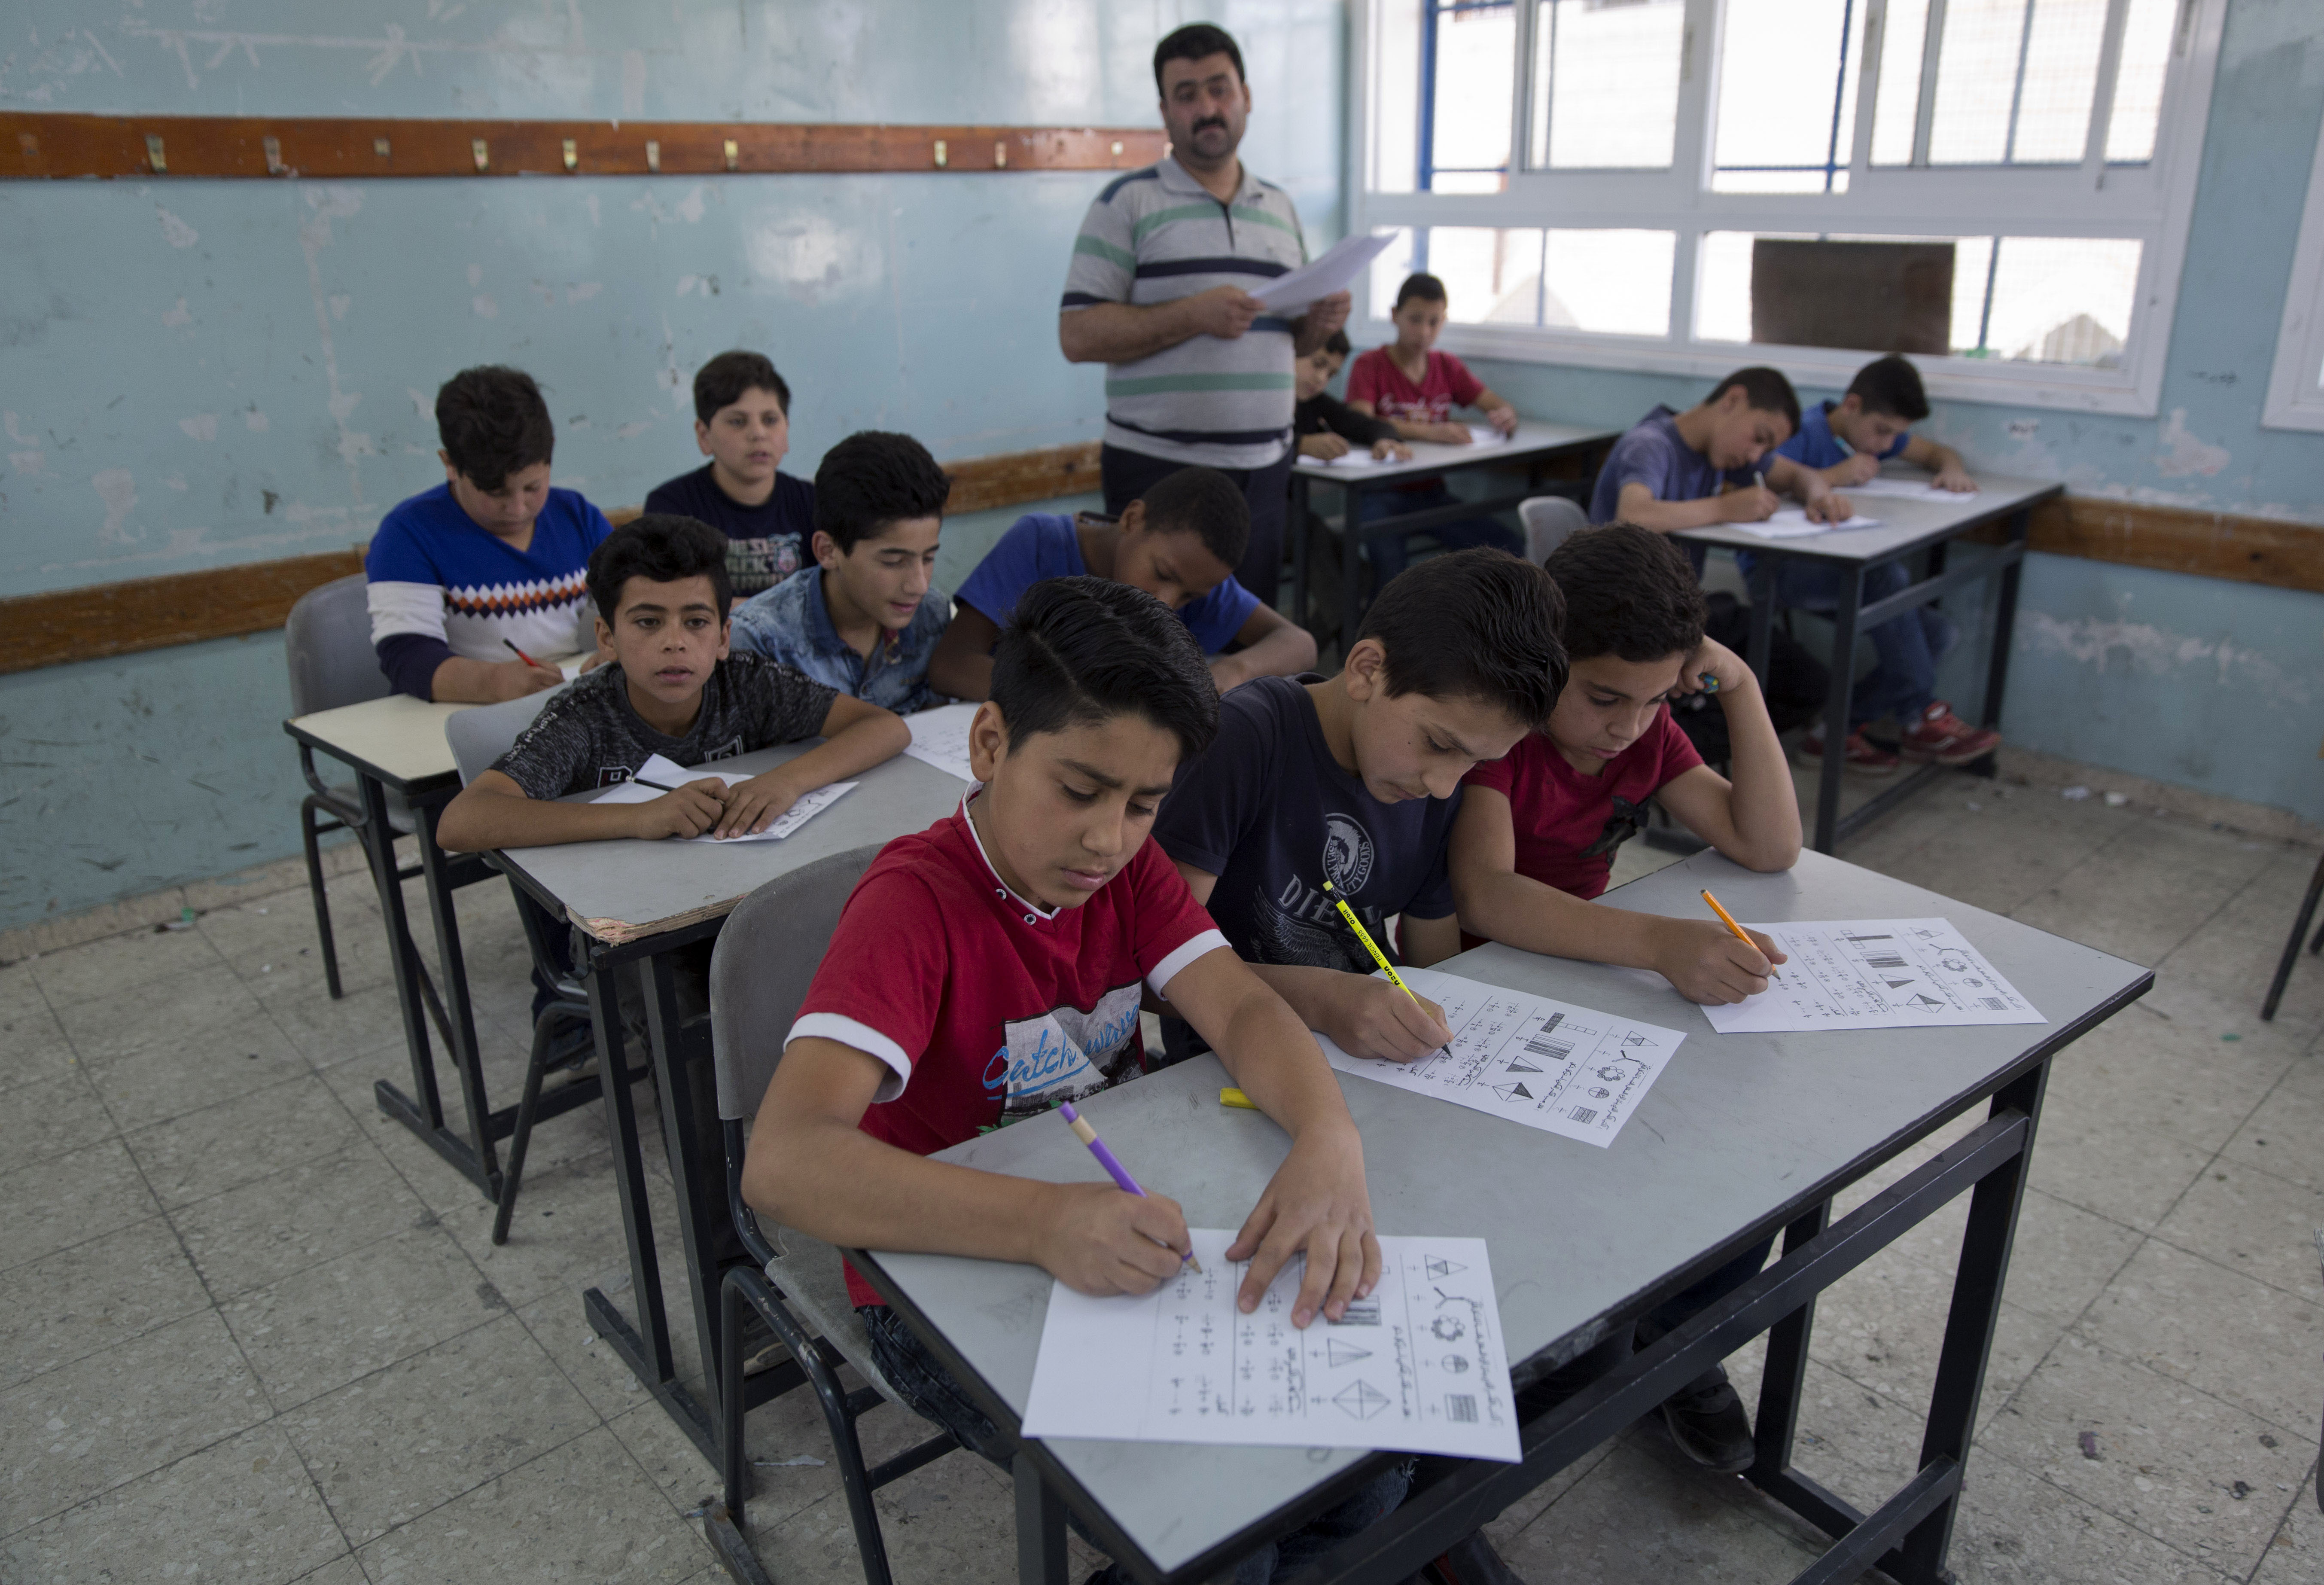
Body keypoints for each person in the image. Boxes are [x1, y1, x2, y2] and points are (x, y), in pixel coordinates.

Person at [740, 576, 1406, 1585]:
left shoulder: (1130, 874)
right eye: (1081, 791)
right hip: (935, 1281)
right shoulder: (913, 906)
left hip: (1113, 1231)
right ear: (992, 743)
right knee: (1222, 1536)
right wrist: (1041, 1223)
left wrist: (1329, 1138)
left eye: (1146, 804)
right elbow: (784, 1166)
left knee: (1364, 1481)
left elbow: (1245, 1009)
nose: (1110, 838)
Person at [1153, 548, 1566, 1067]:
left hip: (1368, 1056)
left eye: (1475, 762)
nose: (1444, 786)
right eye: (1439, 744)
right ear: (1366, 670)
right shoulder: (1247, 739)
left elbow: (1431, 959)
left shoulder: (1434, 789)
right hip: (1228, 1061)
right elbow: (1152, 971)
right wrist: (1325, 1002)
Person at [1060, 22, 1351, 607]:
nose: (1206, 107)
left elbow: (1283, 344)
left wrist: (1315, 325)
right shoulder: (1126, 202)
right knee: (1145, 644)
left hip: (1265, 468)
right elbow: (1077, 335)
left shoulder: (1280, 206)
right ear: (1165, 111)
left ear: (1245, 96)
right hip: (1159, 471)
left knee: (1248, 643)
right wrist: (1192, 314)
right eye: (1186, 95)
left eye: (1219, 89)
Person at [1450, 523, 1801, 1001]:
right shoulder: (1501, 731)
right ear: (1545, 658)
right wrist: (1659, 943)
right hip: (1476, 975)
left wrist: (1741, 687)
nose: (1628, 728)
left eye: (1656, 699)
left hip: (1583, 964)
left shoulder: (1643, 734)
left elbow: (1768, 848)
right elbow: (1485, 896)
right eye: (1603, 699)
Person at [437, 514, 909, 853]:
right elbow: (462, 821)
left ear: (724, 636)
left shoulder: (744, 681)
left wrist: (786, 782)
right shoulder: (585, 716)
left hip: (728, 894)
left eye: (697, 622)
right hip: (620, 924)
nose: (675, 644)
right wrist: (640, 818)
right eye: (647, 623)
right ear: (607, 639)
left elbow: (884, 727)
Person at [1764, 354, 1998, 772]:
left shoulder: (1871, 437)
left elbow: (1937, 452)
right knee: (1886, 577)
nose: (1887, 445)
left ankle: (1831, 734)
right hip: (1784, 570)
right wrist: (1836, 474)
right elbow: (1766, 483)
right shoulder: (1801, 432)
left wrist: (1951, 469)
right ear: (1851, 406)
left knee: (1938, 634)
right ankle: (1918, 716)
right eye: (1882, 431)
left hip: (1847, 568)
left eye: (1896, 435)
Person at [1589, 366, 1839, 747]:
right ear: (1733, 400)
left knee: (1810, 683)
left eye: (1765, 450)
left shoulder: (1721, 452)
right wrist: (1726, 507)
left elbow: (1798, 475)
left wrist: (1818, 494)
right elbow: (1634, 514)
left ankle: (1679, 745)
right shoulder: (1652, 444)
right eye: (1759, 438)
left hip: (1685, 612)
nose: (1755, 455)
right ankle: (1661, 754)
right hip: (1630, 621)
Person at [927, 465, 1315, 701]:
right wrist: (1063, 695)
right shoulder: (1040, 543)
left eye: (1189, 597)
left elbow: (1298, 643)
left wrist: (1233, 672)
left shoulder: (1196, 577)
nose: (1166, 602)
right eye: (1162, 575)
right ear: (1132, 519)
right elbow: (949, 664)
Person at [365, 365, 612, 703]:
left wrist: (620, 653)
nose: (518, 508)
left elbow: (633, 602)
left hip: (561, 701)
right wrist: (494, 683)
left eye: (533, 487)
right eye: (495, 493)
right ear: (450, 465)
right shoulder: (409, 533)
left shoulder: (578, 517)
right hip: (460, 714)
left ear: (550, 452)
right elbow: (408, 656)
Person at [728, 431, 953, 714]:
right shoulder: (759, 642)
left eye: (929, 557)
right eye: (894, 561)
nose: (918, 586)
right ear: (827, 551)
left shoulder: (932, 616)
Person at [1343, 273, 1524, 578]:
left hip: (1431, 493)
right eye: (1415, 320)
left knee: (1508, 549)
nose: (1424, 332)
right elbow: (1359, 421)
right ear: (1394, 316)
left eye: (1434, 321)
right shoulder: (1370, 365)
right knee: (1391, 577)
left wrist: (1506, 415)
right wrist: (1430, 431)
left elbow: (1495, 404)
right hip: (1379, 492)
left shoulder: (1446, 366)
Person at [643, 350, 816, 602]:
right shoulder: (672, 508)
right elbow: (676, 603)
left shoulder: (813, 502)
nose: (758, 434)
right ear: (704, 436)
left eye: (770, 420)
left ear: (786, 429)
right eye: (737, 422)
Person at [1294, 331, 1410, 465]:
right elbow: (1265, 443)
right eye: (1318, 364)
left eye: (1331, 374)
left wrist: (1385, 440)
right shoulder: (1265, 401)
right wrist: (1301, 445)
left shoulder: (1316, 402)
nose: (1321, 379)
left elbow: (1366, 424)